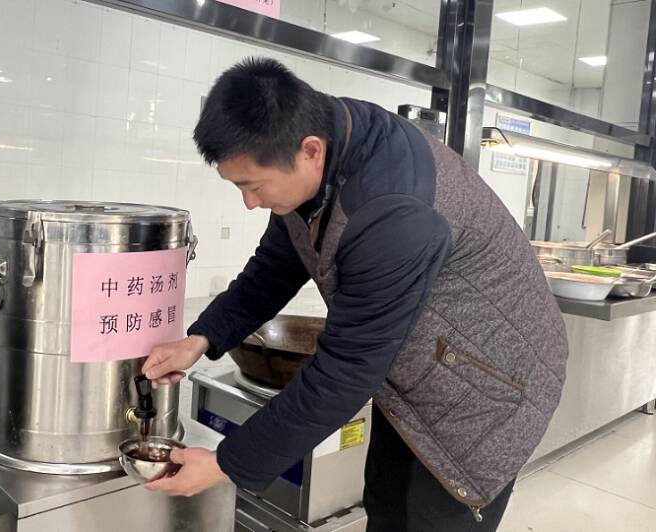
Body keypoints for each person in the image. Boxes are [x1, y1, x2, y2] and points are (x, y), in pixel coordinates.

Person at [142, 57, 568, 532]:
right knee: (387, 504)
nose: (249, 202)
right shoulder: (321, 143)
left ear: (309, 150)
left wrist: (228, 463)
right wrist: (201, 339)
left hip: (488, 388)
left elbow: (348, 367)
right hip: (422, 370)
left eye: (254, 186)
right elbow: (275, 268)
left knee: (433, 518)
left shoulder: (392, 210)